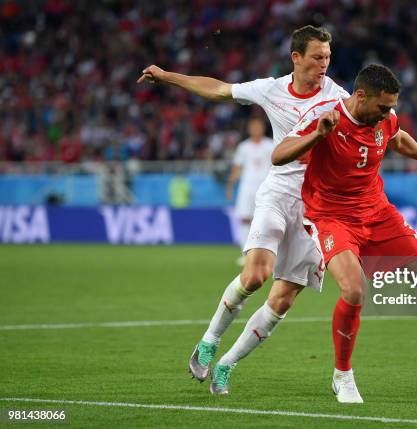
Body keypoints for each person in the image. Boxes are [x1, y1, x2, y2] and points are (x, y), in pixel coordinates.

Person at [138, 25, 350, 395]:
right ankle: (208, 342)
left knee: (282, 300)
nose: (324, 65)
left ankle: (227, 364)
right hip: (278, 192)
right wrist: (168, 76)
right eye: (317, 57)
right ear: (296, 57)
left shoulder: (337, 97)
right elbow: (219, 89)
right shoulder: (271, 89)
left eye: (328, 58)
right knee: (255, 276)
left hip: (317, 208)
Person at [273, 64, 417, 403]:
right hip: (332, 218)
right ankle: (342, 375)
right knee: (354, 290)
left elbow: (397, 138)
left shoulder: (384, 119)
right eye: (383, 107)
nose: (388, 113)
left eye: (391, 107)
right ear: (360, 96)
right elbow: (278, 155)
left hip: (377, 213)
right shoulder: (325, 116)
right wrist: (317, 136)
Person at [226, 118, 275, 264]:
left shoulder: (270, 145)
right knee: (246, 219)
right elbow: (237, 168)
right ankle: (246, 254)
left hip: (266, 187)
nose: (256, 129)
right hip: (247, 187)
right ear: (249, 129)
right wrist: (229, 186)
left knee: (268, 220)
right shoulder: (244, 147)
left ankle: (268, 254)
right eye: (253, 126)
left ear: (263, 128)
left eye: (258, 126)